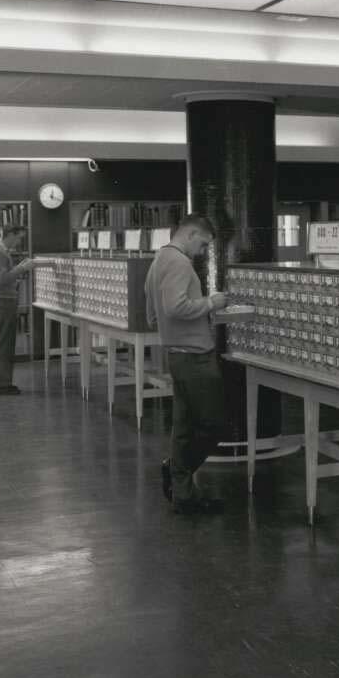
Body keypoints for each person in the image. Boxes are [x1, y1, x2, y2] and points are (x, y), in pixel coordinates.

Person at [144, 214, 228, 514]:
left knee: (184, 426)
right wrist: (210, 303)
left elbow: (152, 310)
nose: (203, 252)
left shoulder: (160, 258)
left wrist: (167, 331)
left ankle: (184, 497)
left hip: (177, 353)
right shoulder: (179, 262)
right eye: (203, 244)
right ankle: (177, 469)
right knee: (214, 424)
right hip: (194, 356)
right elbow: (175, 306)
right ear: (192, 234)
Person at [0, 225, 35, 395]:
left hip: (1, 300)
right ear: (10, 235)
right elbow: (3, 278)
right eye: (19, 237)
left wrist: (19, 267)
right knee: (4, 343)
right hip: (3, 301)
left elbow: (4, 276)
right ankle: (1, 385)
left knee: (0, 341)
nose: (19, 241)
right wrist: (23, 268)